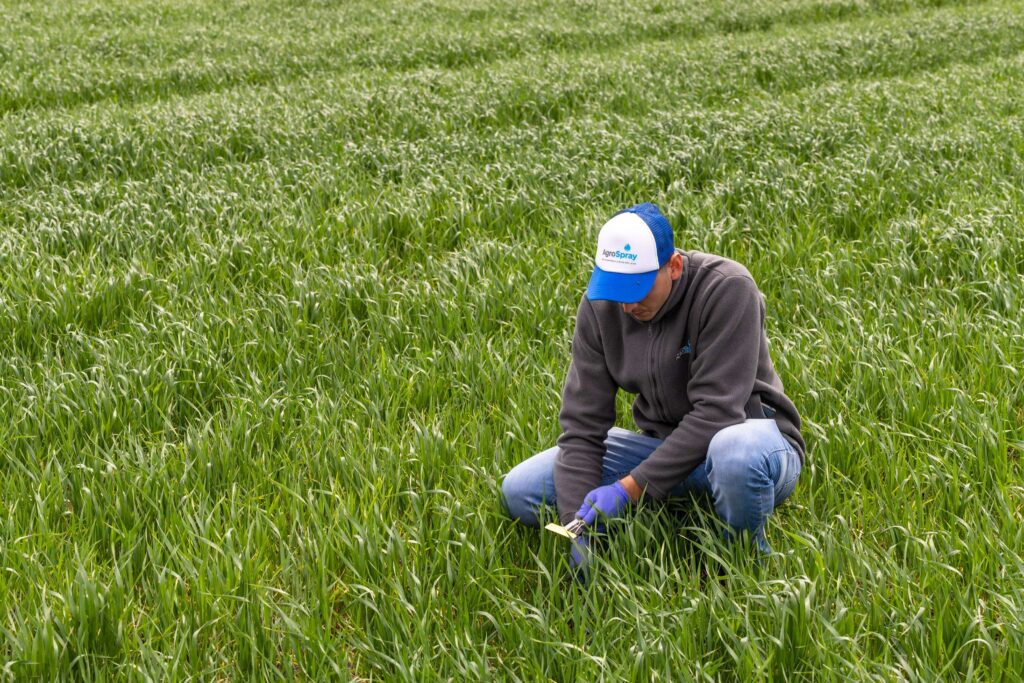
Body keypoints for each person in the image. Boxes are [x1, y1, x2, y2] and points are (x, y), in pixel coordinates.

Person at [500, 203, 805, 577]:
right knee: (521, 489)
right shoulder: (601, 307)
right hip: (665, 447)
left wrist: (629, 489)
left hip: (752, 446)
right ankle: (672, 499)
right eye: (617, 290)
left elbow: (718, 415)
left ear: (673, 267)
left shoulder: (727, 289)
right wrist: (576, 526)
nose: (627, 305)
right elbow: (582, 427)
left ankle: (743, 566)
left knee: (733, 454)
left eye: (638, 289)